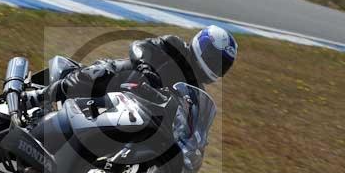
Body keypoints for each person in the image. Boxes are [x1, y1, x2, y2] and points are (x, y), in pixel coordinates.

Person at [31, 25, 238, 105]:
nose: (215, 66)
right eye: (213, 59)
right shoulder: (175, 46)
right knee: (104, 72)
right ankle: (38, 97)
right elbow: (141, 46)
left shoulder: (196, 92)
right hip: (124, 82)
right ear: (201, 46)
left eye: (221, 65)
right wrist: (145, 67)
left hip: (137, 109)